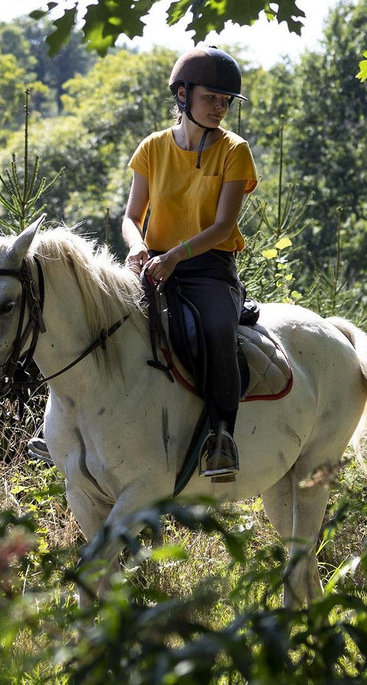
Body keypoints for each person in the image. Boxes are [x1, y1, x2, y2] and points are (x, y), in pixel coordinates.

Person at [124, 45, 258, 478]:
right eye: (211, 98)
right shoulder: (152, 147)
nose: (220, 108)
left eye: (225, 102)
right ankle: (70, 426)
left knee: (218, 327)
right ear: (182, 95)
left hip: (208, 267)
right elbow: (131, 218)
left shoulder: (235, 151)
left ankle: (222, 436)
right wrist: (135, 247)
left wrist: (175, 256)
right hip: (152, 263)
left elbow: (223, 227)